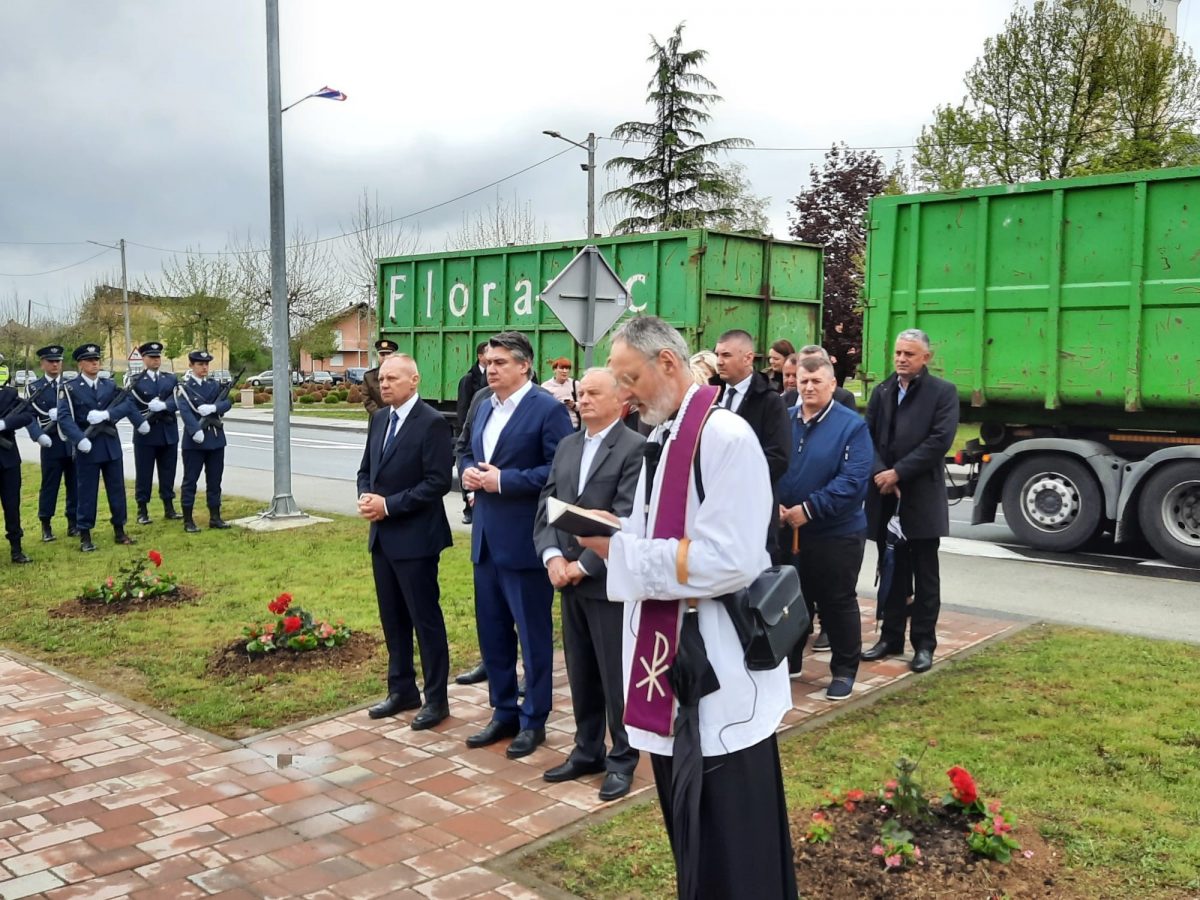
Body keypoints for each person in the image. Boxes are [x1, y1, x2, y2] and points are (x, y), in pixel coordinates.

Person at [578, 315, 797, 900]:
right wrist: (618, 531)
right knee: (693, 832)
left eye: (629, 379)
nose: (623, 393)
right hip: (674, 662)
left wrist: (621, 551)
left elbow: (731, 558)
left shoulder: (724, 437)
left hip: (715, 669)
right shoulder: (669, 433)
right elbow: (669, 532)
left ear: (667, 365)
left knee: (734, 842)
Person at [459, 331, 573, 758]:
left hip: (527, 541)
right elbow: (465, 449)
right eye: (488, 362)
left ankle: (534, 718)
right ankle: (502, 711)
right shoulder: (483, 405)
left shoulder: (547, 409)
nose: (491, 369)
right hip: (486, 539)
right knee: (493, 635)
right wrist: (469, 473)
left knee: (533, 635)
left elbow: (558, 472)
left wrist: (503, 481)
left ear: (525, 366)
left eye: (501, 362)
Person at [534, 367, 644, 801]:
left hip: (606, 580)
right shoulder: (567, 445)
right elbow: (547, 503)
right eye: (581, 393)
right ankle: (586, 748)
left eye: (594, 393)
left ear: (621, 401)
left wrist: (583, 564)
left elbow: (626, 515)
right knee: (579, 669)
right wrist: (552, 557)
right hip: (566, 579)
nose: (583, 400)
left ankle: (623, 758)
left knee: (615, 674)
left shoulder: (635, 449)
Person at [357, 354, 454, 730]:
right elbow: (367, 469)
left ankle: (436, 699)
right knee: (392, 619)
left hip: (416, 539)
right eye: (381, 378)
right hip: (382, 538)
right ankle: (401, 689)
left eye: (392, 378)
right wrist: (366, 495)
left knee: (424, 620)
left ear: (414, 380)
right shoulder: (380, 418)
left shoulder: (431, 423)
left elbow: (437, 483)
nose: (383, 384)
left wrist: (389, 506)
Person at [862, 328, 959, 674]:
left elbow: (939, 441)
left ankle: (924, 644)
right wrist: (880, 473)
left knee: (924, 574)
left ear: (926, 358)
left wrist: (899, 473)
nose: (902, 359)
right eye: (899, 353)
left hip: (920, 496)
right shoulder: (883, 390)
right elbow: (867, 435)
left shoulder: (942, 393)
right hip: (885, 495)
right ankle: (890, 638)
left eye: (910, 354)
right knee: (891, 570)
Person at [776, 356, 873, 699]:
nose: (808, 387)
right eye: (803, 381)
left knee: (836, 601)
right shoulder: (784, 420)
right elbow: (767, 464)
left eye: (816, 381)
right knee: (788, 599)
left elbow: (854, 480)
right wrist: (773, 503)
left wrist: (811, 508)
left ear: (832, 385)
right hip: (786, 529)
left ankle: (844, 670)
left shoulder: (852, 426)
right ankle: (788, 660)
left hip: (836, 533)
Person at [58, 343, 148, 552]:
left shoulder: (109, 385)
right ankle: (85, 534)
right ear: (81, 364)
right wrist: (79, 439)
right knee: (86, 492)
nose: (94, 363)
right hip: (87, 447)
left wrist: (108, 415)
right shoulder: (70, 388)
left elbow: (126, 404)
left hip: (109, 445)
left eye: (96, 360)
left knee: (117, 489)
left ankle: (120, 529)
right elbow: (64, 417)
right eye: (90, 360)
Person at [712, 329, 791, 552]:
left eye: (726, 355)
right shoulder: (711, 395)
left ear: (748, 358)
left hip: (752, 509)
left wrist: (732, 478)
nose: (719, 362)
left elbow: (778, 458)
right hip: (713, 510)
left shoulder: (769, 401)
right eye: (717, 355)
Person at [176, 350, 234, 532]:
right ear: (191, 365)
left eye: (206, 364)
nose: (204, 368)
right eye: (200, 364)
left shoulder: (214, 385)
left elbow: (227, 402)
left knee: (215, 480)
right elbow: (185, 411)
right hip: (195, 442)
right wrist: (195, 431)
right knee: (190, 480)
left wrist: (213, 407)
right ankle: (188, 520)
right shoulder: (184, 388)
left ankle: (215, 517)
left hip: (216, 440)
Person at [24, 345, 77, 543]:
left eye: (58, 361)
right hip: (51, 443)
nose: (55, 365)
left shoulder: (70, 385)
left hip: (70, 442)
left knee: (75, 484)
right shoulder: (35, 388)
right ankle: (46, 524)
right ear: (42, 364)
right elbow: (29, 417)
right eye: (51, 361)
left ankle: (73, 523)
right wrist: (38, 436)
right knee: (50, 485)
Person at [127, 342, 181, 525]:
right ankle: (142, 509)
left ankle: (169, 507)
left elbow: (179, 400)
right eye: (151, 357)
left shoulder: (170, 379)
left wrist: (165, 405)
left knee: (168, 472)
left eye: (158, 357)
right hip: (146, 434)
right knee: (144, 473)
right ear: (144, 359)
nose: (156, 360)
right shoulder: (135, 380)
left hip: (167, 432)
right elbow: (130, 406)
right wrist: (140, 423)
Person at [0, 373, 34, 563]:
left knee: (12, 506)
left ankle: (16, 549)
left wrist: (5, 423)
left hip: (8, 460)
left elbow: (27, 414)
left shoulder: (8, 394)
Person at [455, 341, 489, 524]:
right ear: (480, 356)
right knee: (469, 472)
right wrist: (464, 432)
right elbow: (463, 408)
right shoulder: (469, 379)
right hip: (472, 430)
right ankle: (468, 508)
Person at [796, 346, 857, 411]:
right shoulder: (789, 397)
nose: (810, 367)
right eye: (804, 363)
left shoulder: (843, 398)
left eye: (816, 363)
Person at [541, 357, 580, 429]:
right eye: (562, 368)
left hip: (573, 425)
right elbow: (542, 408)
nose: (565, 371)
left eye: (567, 368)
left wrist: (574, 405)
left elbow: (584, 405)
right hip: (554, 426)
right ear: (554, 370)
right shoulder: (546, 386)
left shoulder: (575, 384)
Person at [362, 339, 398, 415]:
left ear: (395, 355)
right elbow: (367, 400)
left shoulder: (402, 374)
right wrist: (381, 415)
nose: (385, 357)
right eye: (382, 354)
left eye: (388, 354)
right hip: (378, 419)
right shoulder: (369, 377)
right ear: (377, 356)